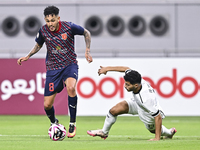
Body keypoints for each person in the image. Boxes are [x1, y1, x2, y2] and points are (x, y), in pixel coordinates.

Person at [17, 5, 93, 138]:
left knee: (71, 87)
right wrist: (28, 56)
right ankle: (54, 123)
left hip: (69, 64)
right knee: (47, 105)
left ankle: (72, 123)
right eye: (47, 21)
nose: (50, 24)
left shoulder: (69, 27)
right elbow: (38, 45)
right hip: (53, 69)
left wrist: (87, 51)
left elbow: (86, 32)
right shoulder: (43, 31)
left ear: (58, 18)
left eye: (52, 20)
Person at [87, 66, 177, 141]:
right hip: (137, 103)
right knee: (114, 110)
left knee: (153, 130)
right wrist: (107, 69)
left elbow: (158, 117)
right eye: (125, 83)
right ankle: (104, 132)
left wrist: (156, 138)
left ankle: (169, 132)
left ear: (136, 85)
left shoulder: (146, 99)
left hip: (147, 112)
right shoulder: (136, 78)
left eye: (127, 85)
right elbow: (126, 68)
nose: (124, 86)